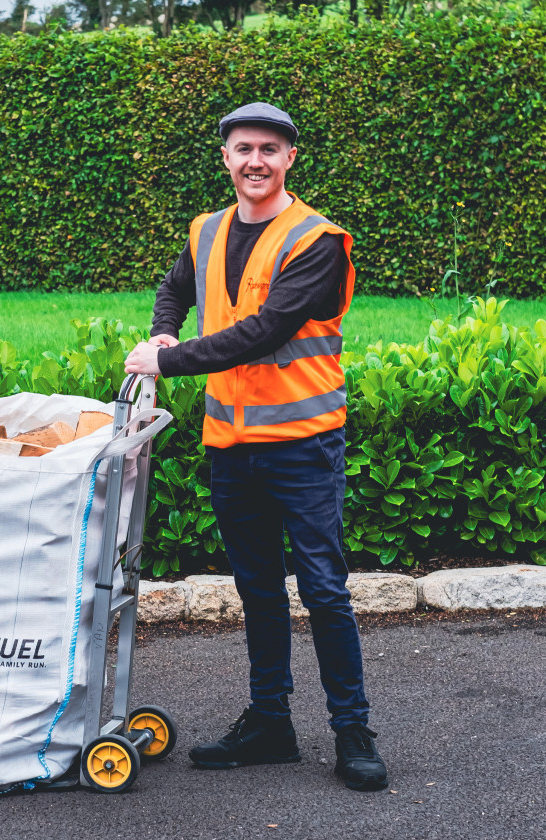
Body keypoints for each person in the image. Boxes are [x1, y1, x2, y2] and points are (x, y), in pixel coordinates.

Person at [124, 102, 388, 792]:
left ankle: (352, 730)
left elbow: (266, 331)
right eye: (244, 149)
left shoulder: (317, 240)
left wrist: (168, 365)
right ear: (226, 157)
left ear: (290, 159)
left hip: (303, 445)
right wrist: (162, 332)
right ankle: (270, 722)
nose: (256, 162)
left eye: (270, 150)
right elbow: (174, 288)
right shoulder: (207, 231)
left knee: (325, 593)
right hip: (232, 445)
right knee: (259, 591)